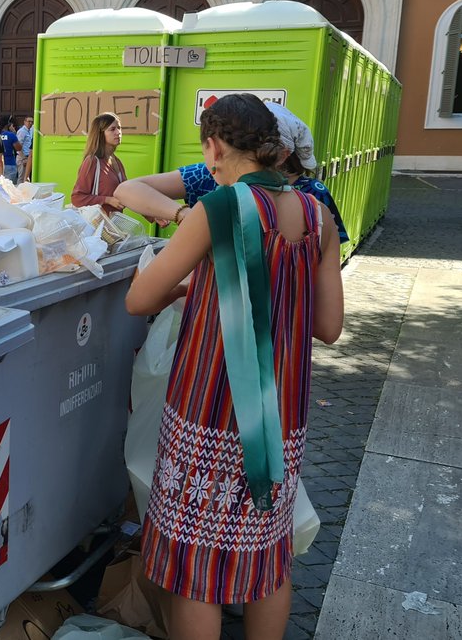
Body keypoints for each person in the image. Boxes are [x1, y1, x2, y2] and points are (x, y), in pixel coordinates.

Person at [126, 93, 344, 640]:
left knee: (198, 566)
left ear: (216, 145)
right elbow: (329, 327)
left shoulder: (218, 208)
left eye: (208, 151)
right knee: (266, 551)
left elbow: (138, 299)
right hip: (281, 413)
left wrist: (185, 286)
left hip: (211, 405)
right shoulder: (318, 217)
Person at [117, 102, 350, 243]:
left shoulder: (313, 193)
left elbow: (141, 299)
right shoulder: (208, 174)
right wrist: (181, 213)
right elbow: (126, 189)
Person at [71, 113, 129, 212]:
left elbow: (128, 195)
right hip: (97, 225)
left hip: (113, 225)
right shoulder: (92, 161)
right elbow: (77, 198)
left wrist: (151, 214)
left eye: (119, 128)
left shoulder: (117, 162)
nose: (118, 132)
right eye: (112, 129)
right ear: (100, 134)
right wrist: (107, 200)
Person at [0, 117, 21, 183]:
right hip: (10, 164)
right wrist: (14, 133)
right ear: (9, 125)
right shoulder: (11, 135)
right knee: (10, 189)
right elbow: (19, 148)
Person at [16, 114, 34, 182]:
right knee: (22, 178)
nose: (30, 123)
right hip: (22, 158)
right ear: (24, 122)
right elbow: (19, 147)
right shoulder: (22, 131)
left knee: (27, 179)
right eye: (29, 121)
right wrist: (23, 159)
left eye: (32, 122)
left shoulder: (31, 130)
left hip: (28, 157)